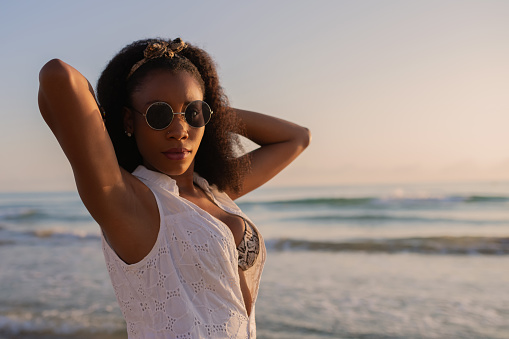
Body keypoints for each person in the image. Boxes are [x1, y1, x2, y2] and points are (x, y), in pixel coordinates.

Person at [38, 37, 310, 338]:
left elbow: (297, 138)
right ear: (130, 120)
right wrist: (112, 117)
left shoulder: (213, 192)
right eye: (159, 114)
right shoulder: (129, 202)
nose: (179, 131)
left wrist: (211, 112)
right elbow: (58, 77)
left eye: (193, 113)